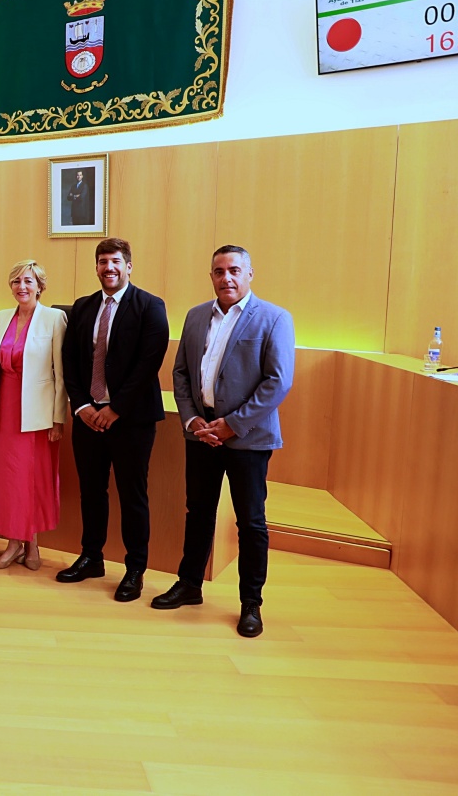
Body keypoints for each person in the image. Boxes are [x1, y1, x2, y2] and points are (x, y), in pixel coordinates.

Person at [154, 245, 295, 638]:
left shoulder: (274, 318)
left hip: (248, 438)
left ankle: (251, 604)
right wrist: (192, 419)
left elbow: (278, 382)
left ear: (250, 273)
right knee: (197, 511)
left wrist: (232, 425)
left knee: (251, 522)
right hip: (201, 434)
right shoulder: (196, 316)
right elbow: (181, 373)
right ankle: (189, 584)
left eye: (234, 270)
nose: (226, 278)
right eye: (219, 271)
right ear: (211, 276)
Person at [58, 238, 169, 601]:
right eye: (103, 261)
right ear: (96, 267)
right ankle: (92, 557)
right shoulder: (83, 306)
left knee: (132, 495)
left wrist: (115, 408)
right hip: (88, 418)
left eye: (116, 261)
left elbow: (148, 364)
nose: (109, 268)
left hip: (131, 420)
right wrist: (81, 406)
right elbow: (70, 360)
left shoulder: (150, 306)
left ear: (128, 266)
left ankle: (135, 569)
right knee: (91, 491)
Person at [0, 260, 69, 570]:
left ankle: (30, 542)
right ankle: (15, 543)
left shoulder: (54, 318)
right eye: (17, 281)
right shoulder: (1, 317)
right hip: (3, 411)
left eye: (28, 281)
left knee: (31, 479)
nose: (22, 287)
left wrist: (58, 418)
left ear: (40, 286)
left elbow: (61, 373)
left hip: (37, 414)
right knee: (8, 480)